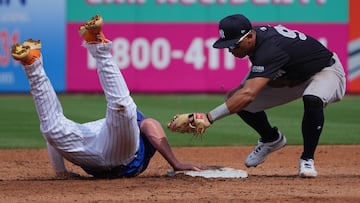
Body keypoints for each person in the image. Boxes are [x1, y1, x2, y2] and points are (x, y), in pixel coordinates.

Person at [10, 14, 204, 179]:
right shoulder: (130, 126)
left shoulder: (111, 125)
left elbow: (53, 140)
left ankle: (33, 65)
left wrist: (61, 172)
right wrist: (176, 163)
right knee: (123, 108)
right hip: (116, 152)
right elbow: (150, 124)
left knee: (53, 129)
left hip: (90, 149)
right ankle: (96, 46)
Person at [170, 14, 346, 178]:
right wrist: (237, 93)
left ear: (249, 37)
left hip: (325, 71)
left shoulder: (269, 48)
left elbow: (249, 93)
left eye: (233, 45)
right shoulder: (257, 43)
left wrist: (209, 117)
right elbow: (243, 93)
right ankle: (271, 139)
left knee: (312, 98)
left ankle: (307, 159)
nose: (230, 50)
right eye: (227, 45)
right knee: (235, 97)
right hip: (290, 78)